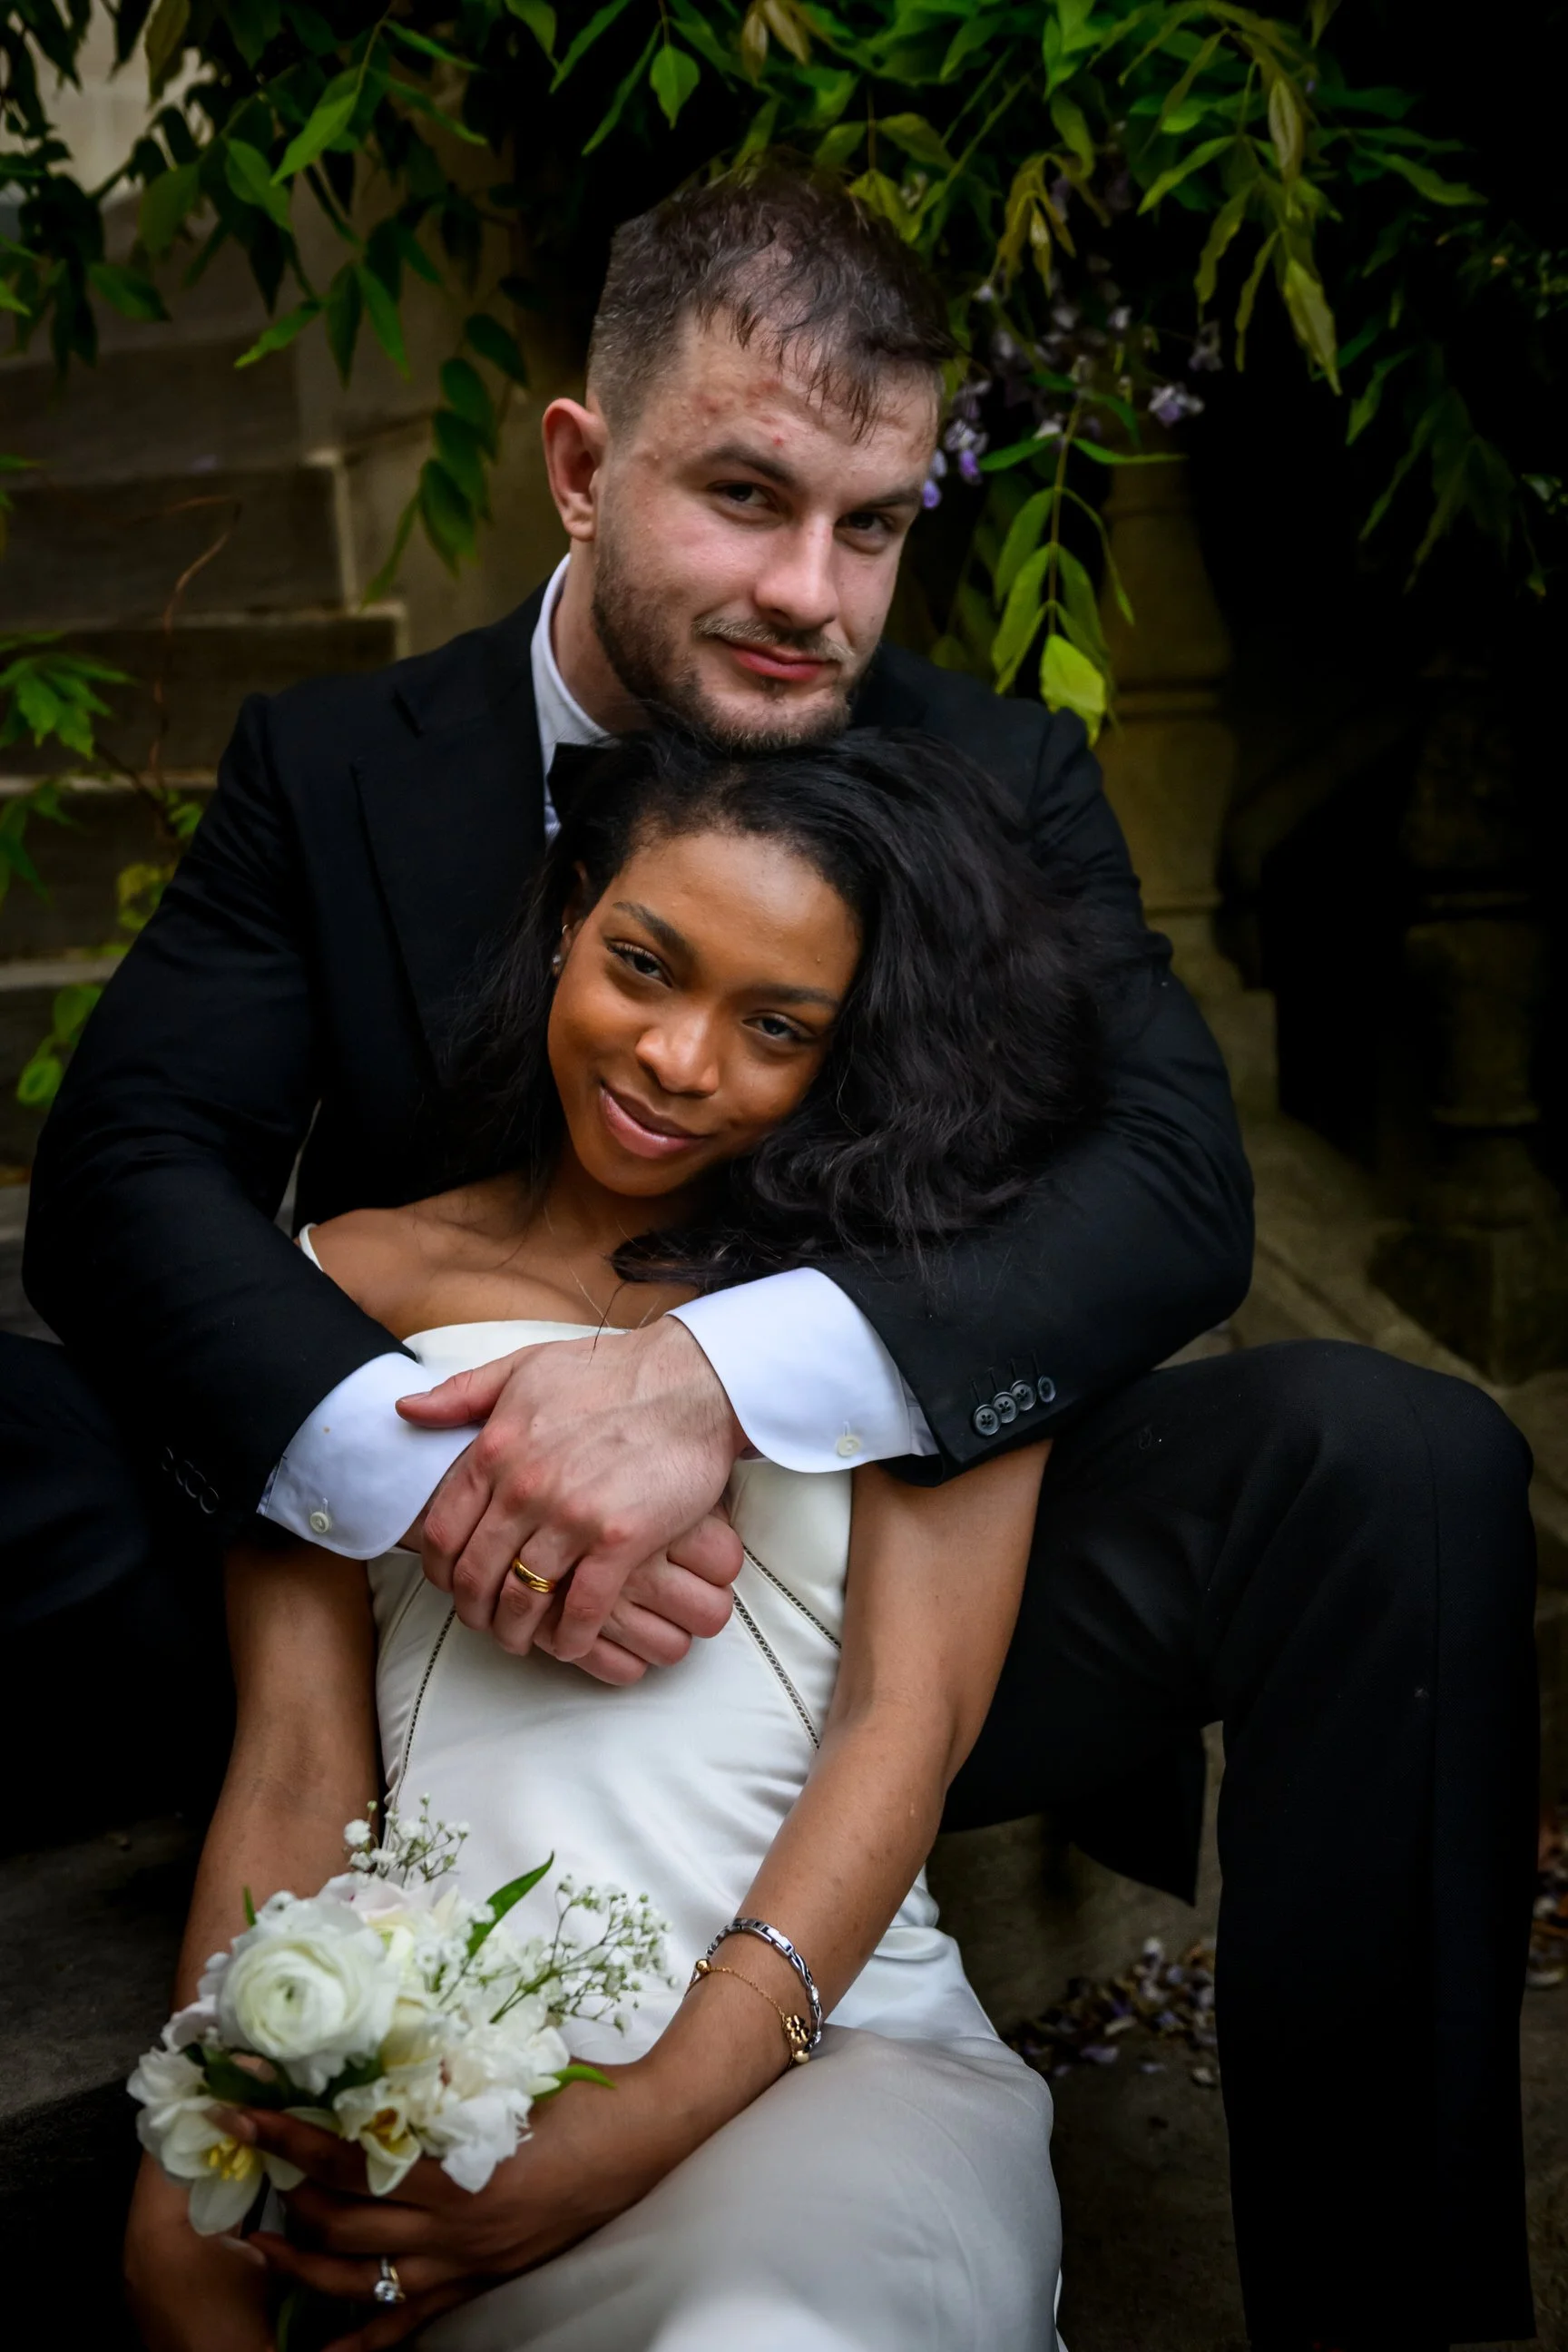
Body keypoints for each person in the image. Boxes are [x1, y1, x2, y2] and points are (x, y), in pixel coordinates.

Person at [9, 165, 1537, 2346]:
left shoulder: (993, 776)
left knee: (1394, 1462)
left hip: (862, 1558)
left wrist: (704, 1386)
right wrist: (425, 1467)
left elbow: (1180, 1188)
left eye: (877, 522)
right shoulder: (338, 766)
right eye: (745, 495)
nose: (814, 591)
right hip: (392, 1557)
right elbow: (129, 1170)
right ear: (577, 467)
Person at [124, 729, 1097, 2350]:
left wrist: (631, 2127)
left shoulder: (924, 1293)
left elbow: (902, 1726)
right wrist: (191, 2177)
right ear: (574, 911)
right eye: (646, 965)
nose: (676, 1058)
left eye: (776, 1027)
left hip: (823, 2057)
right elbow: (298, 1765)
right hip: (433, 2092)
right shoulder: (334, 1280)